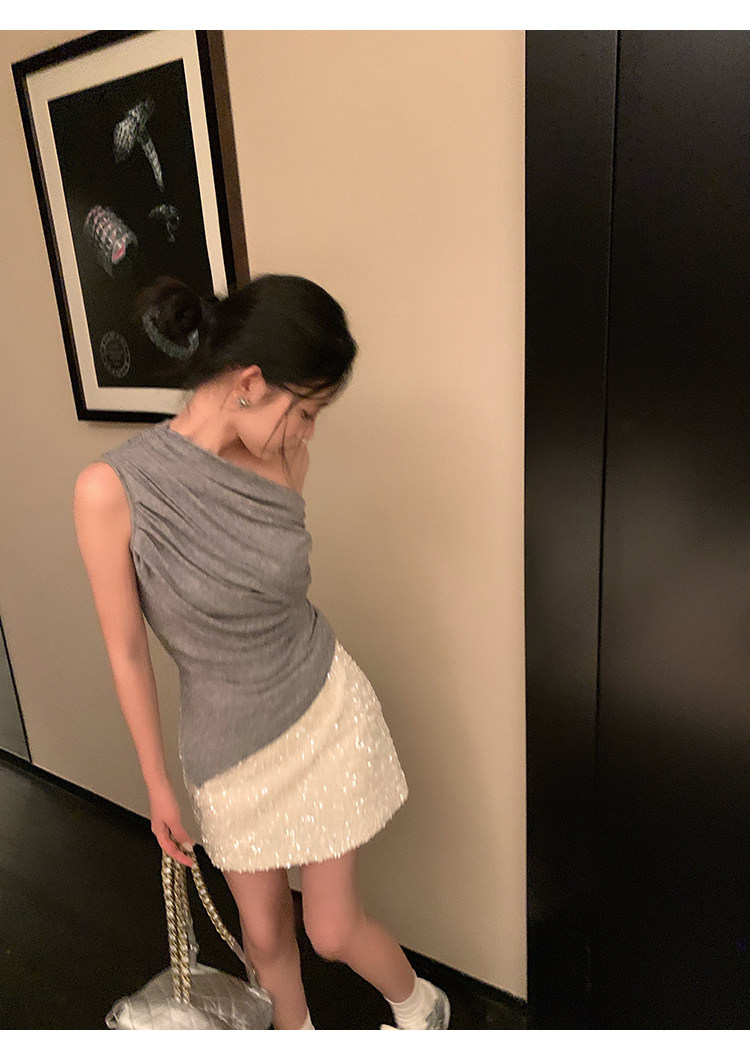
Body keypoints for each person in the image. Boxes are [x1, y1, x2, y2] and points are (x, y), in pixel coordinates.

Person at [73, 273, 450, 1031]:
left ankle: (424, 1011)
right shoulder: (111, 492)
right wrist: (157, 784)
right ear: (249, 383)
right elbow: (127, 652)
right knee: (267, 937)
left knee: (331, 930)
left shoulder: (284, 463)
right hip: (230, 751)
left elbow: (272, 601)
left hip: (324, 708)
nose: (308, 433)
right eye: (305, 411)